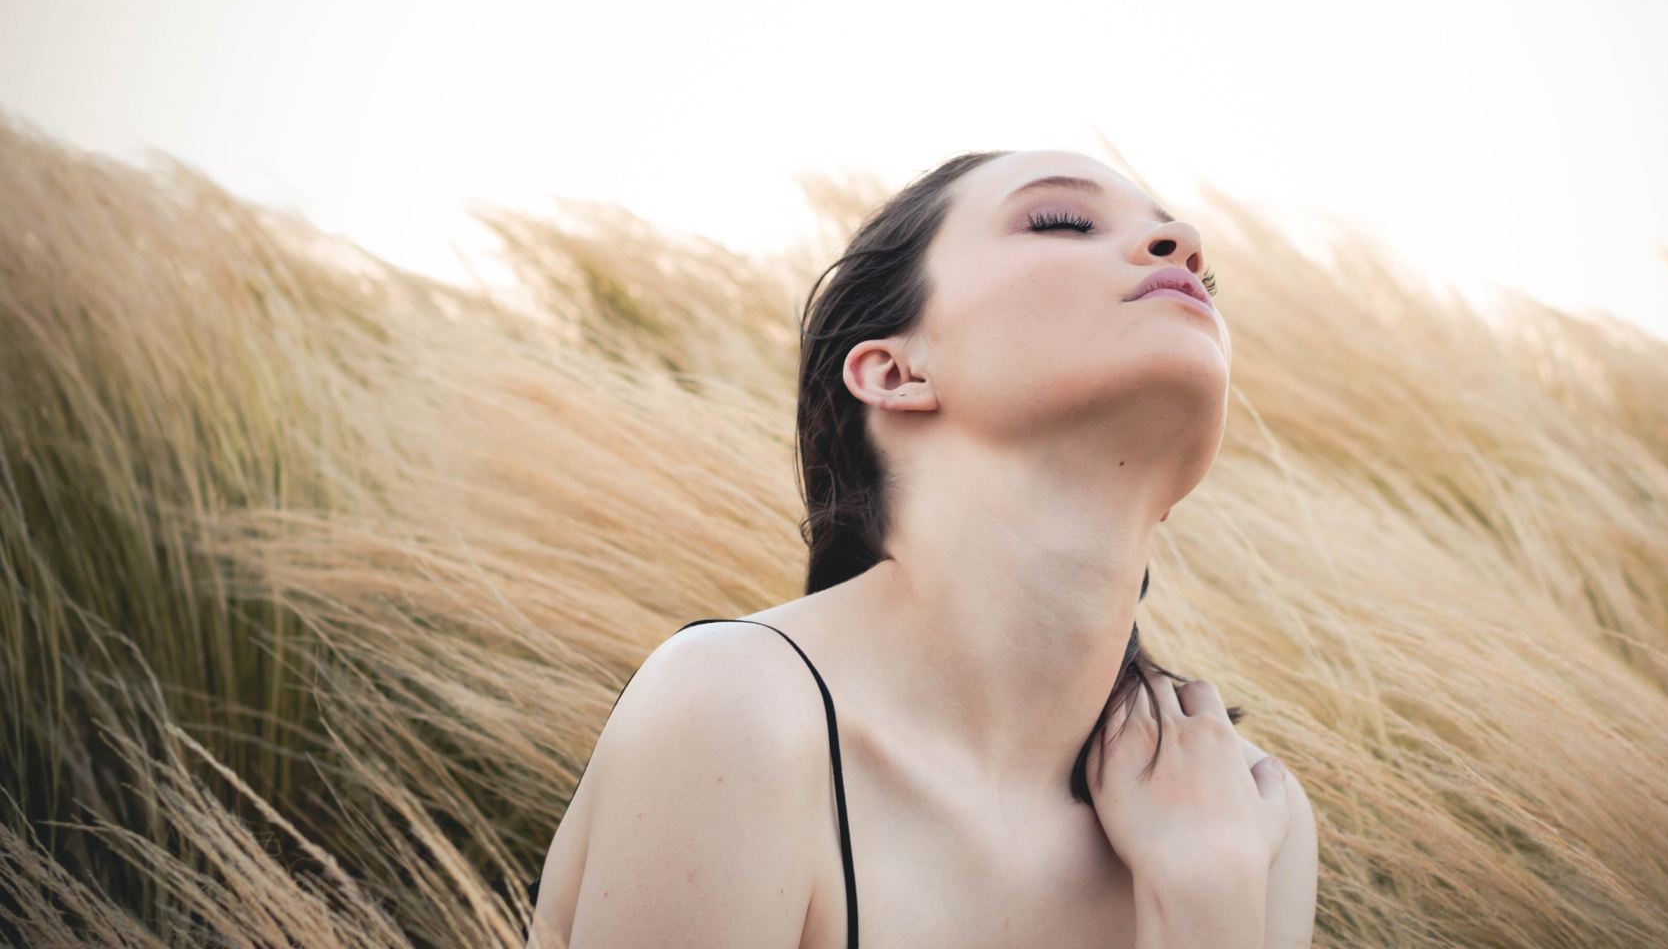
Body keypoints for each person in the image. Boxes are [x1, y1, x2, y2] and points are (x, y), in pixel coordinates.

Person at [527, 148, 1318, 949]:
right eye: (1061, 222)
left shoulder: (1247, 814)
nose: (1184, 242)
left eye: (1198, 269)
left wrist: (1207, 898)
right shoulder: (739, 711)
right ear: (897, 371)